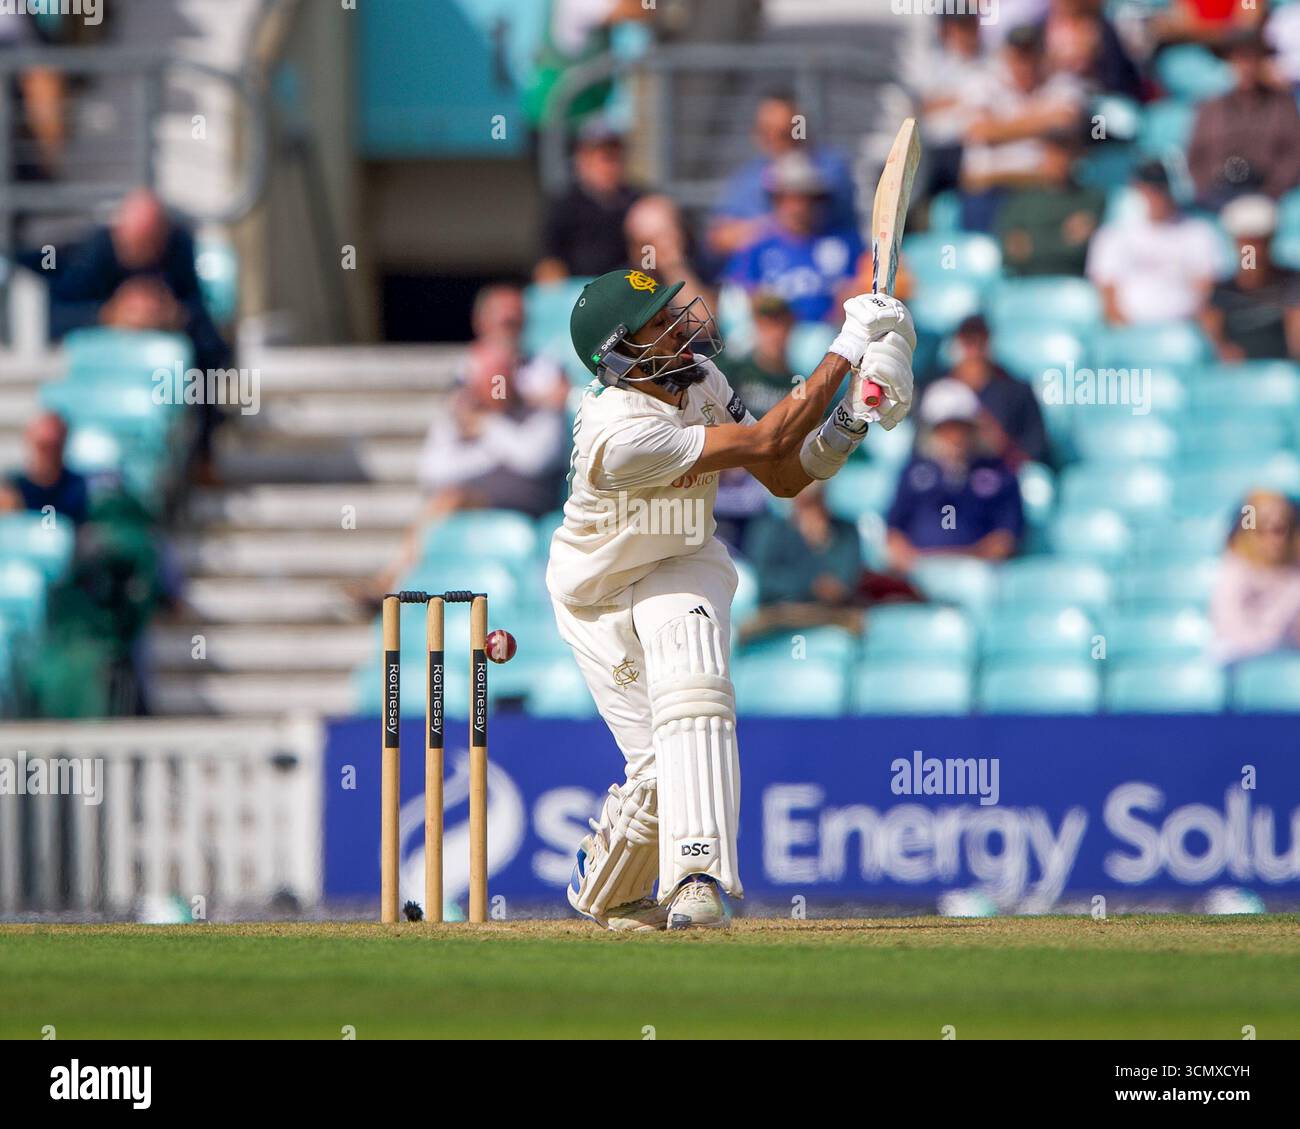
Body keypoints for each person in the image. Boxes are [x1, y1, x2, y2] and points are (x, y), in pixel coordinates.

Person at [550, 267, 915, 930]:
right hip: (596, 596)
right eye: (660, 321)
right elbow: (769, 440)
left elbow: (780, 473)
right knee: (661, 771)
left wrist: (854, 416)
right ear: (621, 352)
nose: (683, 324)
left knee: (696, 690)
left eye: (673, 310)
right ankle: (608, 891)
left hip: (682, 556)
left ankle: (697, 877)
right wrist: (849, 342)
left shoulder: (700, 379)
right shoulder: (620, 433)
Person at [885, 379, 1023, 572]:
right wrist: (917, 565)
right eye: (947, 429)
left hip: (978, 575)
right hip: (919, 577)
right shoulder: (913, 473)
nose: (955, 438)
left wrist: (960, 563)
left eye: (961, 428)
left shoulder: (1000, 475)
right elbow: (893, 532)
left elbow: (1006, 539)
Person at [960, 24, 1087, 232]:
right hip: (989, 194)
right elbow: (980, 132)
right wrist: (1044, 120)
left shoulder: (1063, 83)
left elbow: (1067, 122)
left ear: (1043, 55)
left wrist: (1000, 128)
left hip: (1042, 191)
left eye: (1031, 55)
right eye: (1019, 56)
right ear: (1007, 56)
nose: (1025, 65)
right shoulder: (983, 81)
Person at [707, 91, 857, 259]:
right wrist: (773, 225)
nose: (776, 141)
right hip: (763, 272)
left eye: (785, 133)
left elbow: (821, 220)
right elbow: (719, 238)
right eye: (767, 132)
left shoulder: (829, 170)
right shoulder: (747, 179)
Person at [724, 153, 865, 324]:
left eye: (809, 199)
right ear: (776, 200)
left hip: (828, 334)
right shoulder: (756, 246)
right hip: (772, 333)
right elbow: (742, 295)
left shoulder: (845, 244)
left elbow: (857, 290)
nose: (800, 207)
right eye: (791, 198)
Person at [1086, 160, 1223, 324]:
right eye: (1148, 189)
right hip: (1131, 330)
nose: (1155, 196)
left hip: (1183, 329)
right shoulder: (1113, 235)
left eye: (1160, 188)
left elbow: (1205, 293)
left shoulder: (1200, 232)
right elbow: (1108, 296)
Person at [1187, 29, 1300, 209]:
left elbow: (1294, 155)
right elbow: (1195, 157)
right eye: (1240, 59)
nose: (1246, 67)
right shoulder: (1210, 107)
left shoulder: (1283, 105)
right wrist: (1212, 192)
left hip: (1270, 197)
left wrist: (1270, 193)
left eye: (1252, 59)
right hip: (1218, 197)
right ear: (1230, 62)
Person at [923, 315, 1051, 468]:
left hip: (999, 473)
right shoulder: (937, 388)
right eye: (968, 340)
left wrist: (999, 444)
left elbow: (1034, 444)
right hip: (945, 471)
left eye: (980, 340)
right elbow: (923, 440)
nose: (975, 348)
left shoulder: (1016, 390)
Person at [744, 480, 864, 635]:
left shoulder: (846, 531)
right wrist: (811, 585)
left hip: (831, 615)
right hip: (781, 615)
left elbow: (845, 581)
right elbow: (765, 579)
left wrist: (821, 540)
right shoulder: (769, 530)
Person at [535, 120, 641, 282]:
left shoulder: (638, 202)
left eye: (614, 157)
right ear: (581, 160)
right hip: (579, 294)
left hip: (629, 290)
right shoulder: (565, 205)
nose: (609, 167)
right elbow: (548, 263)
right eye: (603, 158)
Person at [996, 128, 1105, 277]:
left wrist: (1031, 244)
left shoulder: (1092, 199)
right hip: (1026, 283)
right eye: (1050, 154)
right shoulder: (1020, 200)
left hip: (1072, 283)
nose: (1056, 162)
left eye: (1062, 155)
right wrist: (1063, 238)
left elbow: (1079, 252)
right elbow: (1011, 252)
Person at [1203, 194, 1300, 360]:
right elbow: (1215, 346)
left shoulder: (1293, 285)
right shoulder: (1221, 293)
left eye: (1260, 242)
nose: (1254, 250)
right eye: (1246, 242)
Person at [1210, 491, 1300, 664]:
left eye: (1281, 528)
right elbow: (1234, 632)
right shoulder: (1233, 572)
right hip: (1241, 667)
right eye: (1262, 527)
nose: (1274, 537)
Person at [0, 412, 89, 524]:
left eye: (54, 446)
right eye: (43, 446)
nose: (49, 455)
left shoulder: (78, 487)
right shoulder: (12, 488)